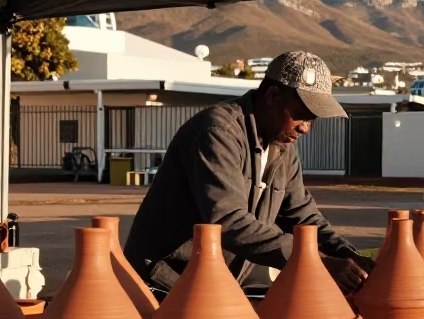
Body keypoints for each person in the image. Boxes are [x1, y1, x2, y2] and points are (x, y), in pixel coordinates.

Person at [124, 51, 374, 296]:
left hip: (213, 285)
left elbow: (302, 215)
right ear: (273, 96)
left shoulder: (282, 145)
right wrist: (317, 262)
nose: (306, 128)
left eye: (313, 119)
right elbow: (229, 222)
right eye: (302, 115)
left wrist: (348, 255)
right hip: (163, 282)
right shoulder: (218, 132)